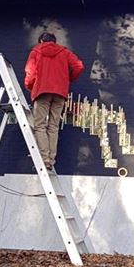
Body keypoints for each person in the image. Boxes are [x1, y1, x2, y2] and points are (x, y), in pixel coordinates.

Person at [24, 32, 85, 170]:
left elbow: (30, 72)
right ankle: (50, 161)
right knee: (53, 127)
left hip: (42, 92)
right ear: (54, 42)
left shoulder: (36, 51)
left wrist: (30, 87)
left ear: (41, 41)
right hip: (59, 93)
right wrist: (69, 79)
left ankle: (44, 160)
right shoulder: (64, 52)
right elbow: (79, 66)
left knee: (39, 125)